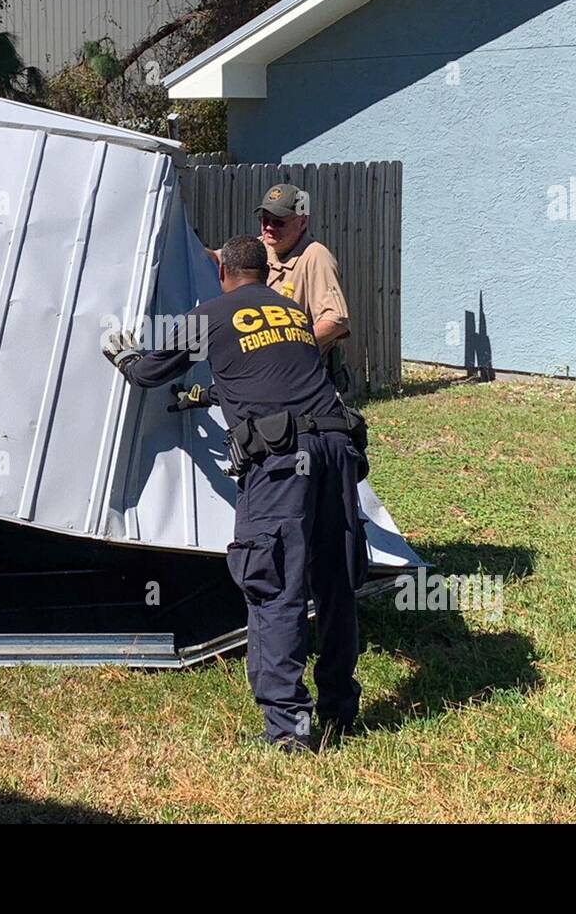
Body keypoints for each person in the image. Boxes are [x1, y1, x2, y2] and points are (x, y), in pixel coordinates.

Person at [103, 235, 369, 750]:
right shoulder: (291, 311)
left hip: (285, 464)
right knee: (335, 582)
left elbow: (151, 373)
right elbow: (271, 373)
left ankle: (291, 731)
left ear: (223, 271)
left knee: (275, 585)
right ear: (262, 273)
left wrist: (126, 355)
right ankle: (339, 707)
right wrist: (208, 394)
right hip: (337, 450)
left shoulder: (211, 315)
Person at [209, 183, 353, 388]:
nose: (269, 227)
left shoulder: (315, 256)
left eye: (278, 222)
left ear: (302, 221)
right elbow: (216, 258)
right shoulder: (260, 247)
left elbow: (335, 322)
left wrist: (288, 346)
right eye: (264, 220)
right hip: (263, 372)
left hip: (302, 376)